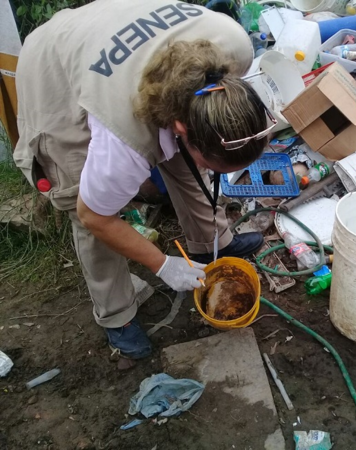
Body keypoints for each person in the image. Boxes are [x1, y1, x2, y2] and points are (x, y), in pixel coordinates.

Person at [13, 0, 273, 359]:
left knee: (189, 160)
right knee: (85, 205)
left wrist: (204, 155)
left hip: (114, 32)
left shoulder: (233, 49)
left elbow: (200, 136)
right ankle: (116, 314)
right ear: (181, 128)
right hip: (55, 66)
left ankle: (211, 244)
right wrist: (161, 263)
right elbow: (94, 216)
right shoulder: (124, 139)